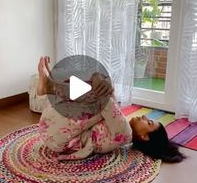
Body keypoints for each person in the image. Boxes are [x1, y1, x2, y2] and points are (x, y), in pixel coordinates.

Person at [37, 56, 185, 163]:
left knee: (101, 94)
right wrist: (100, 80)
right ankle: (51, 84)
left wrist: (97, 77)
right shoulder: (121, 131)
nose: (144, 117)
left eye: (149, 123)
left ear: (144, 137)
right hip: (55, 133)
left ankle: (50, 86)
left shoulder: (125, 133)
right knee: (104, 90)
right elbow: (110, 100)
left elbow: (105, 100)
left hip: (56, 136)